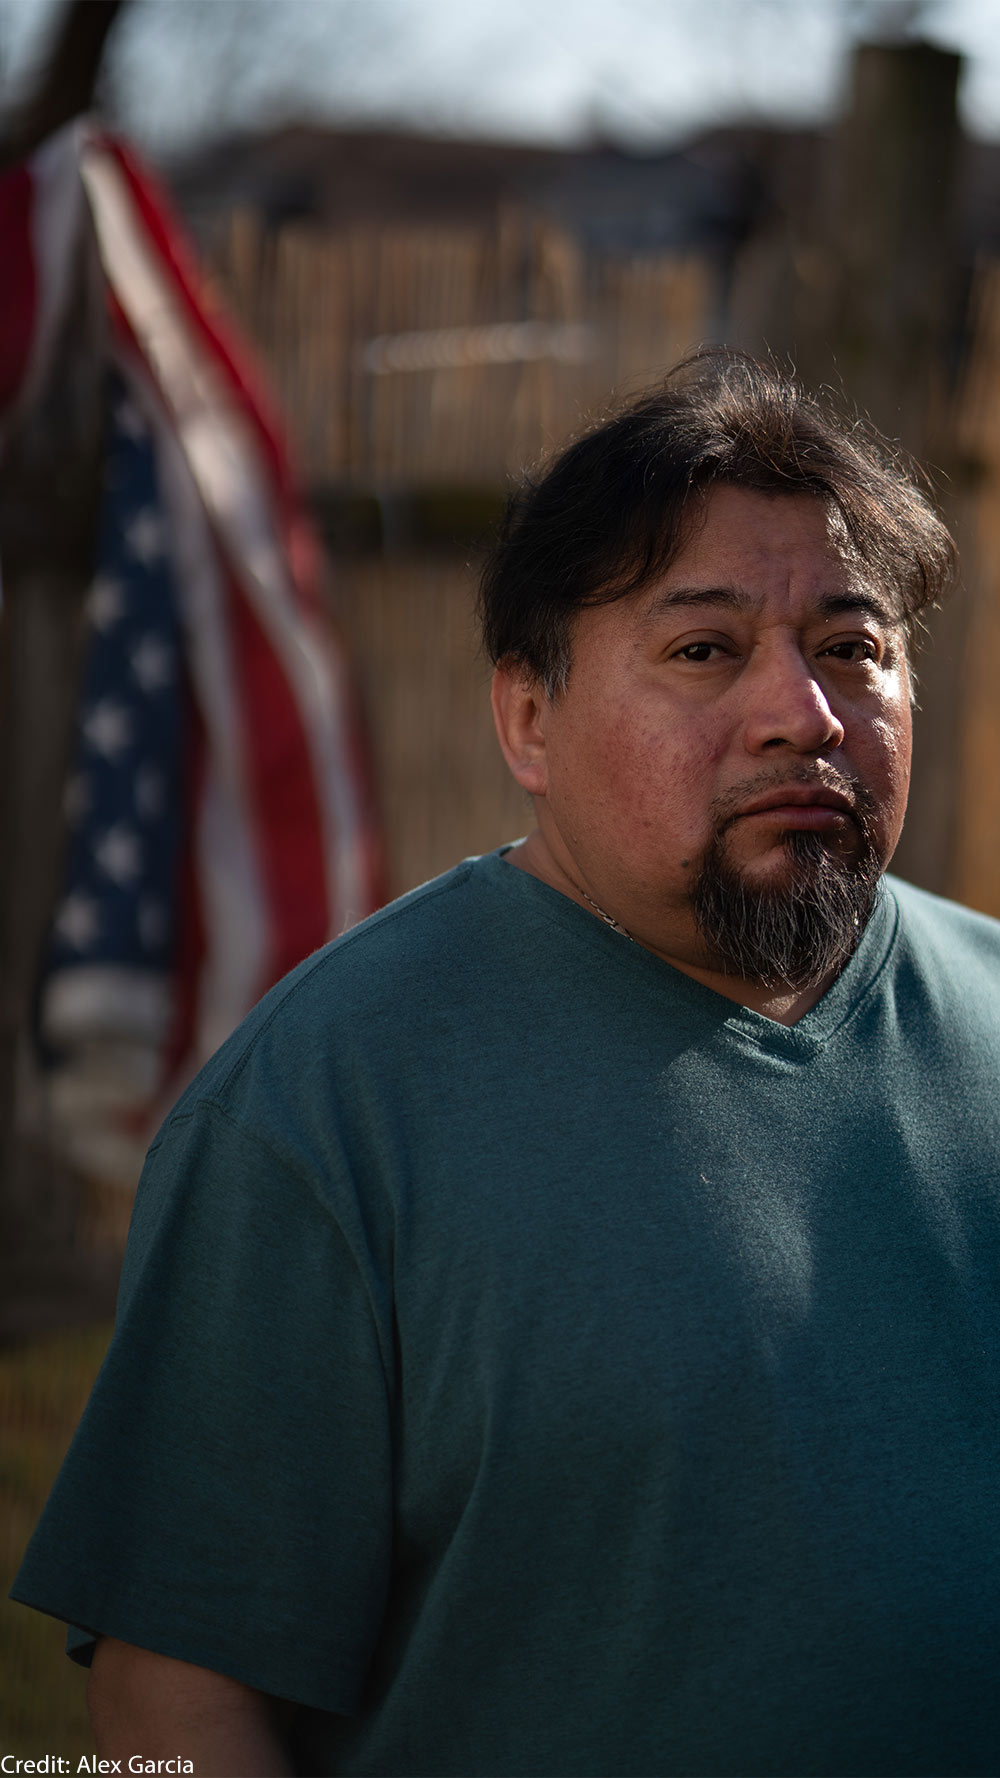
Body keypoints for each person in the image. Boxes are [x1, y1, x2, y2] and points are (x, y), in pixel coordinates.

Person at [13, 351, 1000, 1778]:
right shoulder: (322, 1108)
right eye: (705, 649)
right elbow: (178, 1696)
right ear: (527, 718)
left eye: (854, 645)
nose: (806, 711)